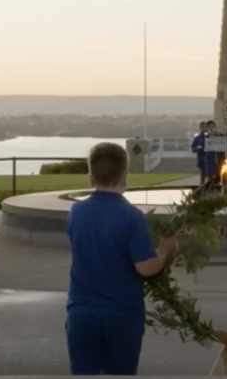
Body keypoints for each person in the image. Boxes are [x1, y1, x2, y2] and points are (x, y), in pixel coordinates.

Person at [65, 142, 178, 375]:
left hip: (81, 312)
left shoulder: (76, 212)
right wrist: (165, 250)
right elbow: (146, 267)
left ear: (91, 178)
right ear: (124, 176)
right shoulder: (131, 216)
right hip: (121, 314)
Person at [204, 120, 224, 186]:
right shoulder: (205, 136)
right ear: (207, 127)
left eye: (213, 125)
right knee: (209, 176)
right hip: (210, 159)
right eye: (210, 126)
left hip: (219, 158)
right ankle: (209, 189)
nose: (212, 127)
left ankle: (218, 189)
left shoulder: (221, 135)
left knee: (218, 176)